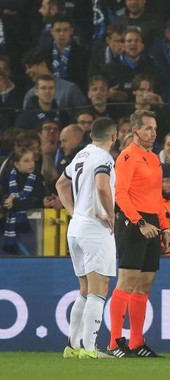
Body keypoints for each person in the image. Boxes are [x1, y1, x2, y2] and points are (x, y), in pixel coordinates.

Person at [107, 110, 170, 358]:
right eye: (148, 128)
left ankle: (136, 342)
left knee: (145, 285)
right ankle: (114, 342)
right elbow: (120, 194)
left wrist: (164, 227)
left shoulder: (154, 159)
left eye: (154, 128)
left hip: (153, 224)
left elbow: (157, 197)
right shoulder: (126, 157)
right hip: (133, 224)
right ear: (134, 131)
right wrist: (140, 223)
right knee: (126, 282)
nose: (153, 133)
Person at [55, 117, 118, 359]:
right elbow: (102, 186)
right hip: (94, 229)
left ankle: (72, 346)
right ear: (113, 137)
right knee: (99, 289)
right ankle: (90, 350)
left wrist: (74, 212)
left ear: (92, 135)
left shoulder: (81, 155)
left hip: (77, 227)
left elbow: (61, 184)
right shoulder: (104, 158)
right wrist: (111, 214)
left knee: (84, 289)